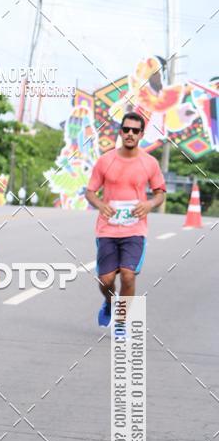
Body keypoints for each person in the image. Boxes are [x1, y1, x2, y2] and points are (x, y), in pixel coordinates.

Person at [85, 111, 166, 329]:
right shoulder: (105, 161)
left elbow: (160, 192)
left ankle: (121, 321)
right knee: (106, 281)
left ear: (141, 134)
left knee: (128, 276)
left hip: (135, 229)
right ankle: (110, 303)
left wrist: (149, 204)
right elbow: (90, 191)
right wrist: (101, 205)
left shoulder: (149, 163)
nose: (130, 134)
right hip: (107, 230)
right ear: (121, 132)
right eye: (126, 129)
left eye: (135, 130)